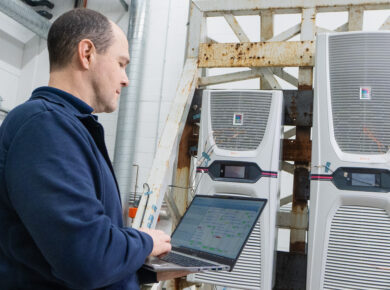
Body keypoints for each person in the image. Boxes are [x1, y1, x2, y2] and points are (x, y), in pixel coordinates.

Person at [0, 8, 187, 289]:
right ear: (86, 53)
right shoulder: (45, 127)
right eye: (121, 63)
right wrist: (145, 242)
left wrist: (137, 261)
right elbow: (88, 258)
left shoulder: (68, 127)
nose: (126, 79)